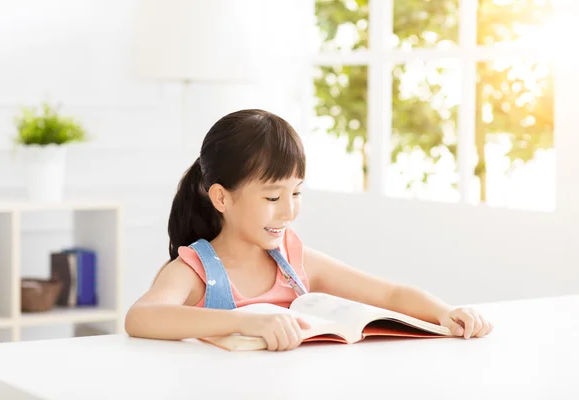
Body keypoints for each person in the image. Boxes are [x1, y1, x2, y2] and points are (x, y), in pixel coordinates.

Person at [125, 109, 493, 351]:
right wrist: (248, 323)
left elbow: (391, 294)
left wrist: (445, 312)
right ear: (221, 198)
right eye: (272, 197)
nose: (288, 211)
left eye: (296, 193)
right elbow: (141, 316)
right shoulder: (195, 270)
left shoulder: (295, 261)